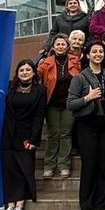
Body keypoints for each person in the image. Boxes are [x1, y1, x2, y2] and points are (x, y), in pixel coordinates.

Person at [67, 41, 105, 210]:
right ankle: (87, 209)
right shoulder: (79, 77)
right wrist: (87, 97)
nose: (98, 54)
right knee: (89, 167)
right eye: (94, 51)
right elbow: (70, 103)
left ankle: (101, 208)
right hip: (87, 126)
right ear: (87, 55)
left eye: (101, 51)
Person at [0, 59, 47, 210]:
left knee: (23, 169)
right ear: (17, 73)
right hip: (8, 135)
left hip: (26, 136)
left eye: (28, 70)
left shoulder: (40, 90)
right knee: (9, 169)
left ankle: (20, 205)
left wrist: (34, 139)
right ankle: (9, 204)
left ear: (33, 73)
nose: (24, 72)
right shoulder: (9, 87)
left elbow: (39, 116)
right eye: (21, 70)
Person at [37, 34, 81, 179]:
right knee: (53, 134)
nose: (60, 46)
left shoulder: (75, 61)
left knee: (66, 134)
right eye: (58, 44)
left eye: (63, 44)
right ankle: (49, 166)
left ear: (67, 46)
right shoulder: (46, 63)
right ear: (53, 46)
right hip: (52, 104)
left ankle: (63, 165)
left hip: (69, 104)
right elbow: (36, 76)